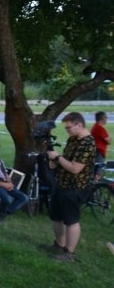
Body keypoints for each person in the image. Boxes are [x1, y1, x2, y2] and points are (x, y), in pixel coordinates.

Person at [45, 112, 96, 262]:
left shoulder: (88, 143)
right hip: (61, 183)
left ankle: (69, 253)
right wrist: (55, 162)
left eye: (69, 128)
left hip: (75, 187)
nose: (67, 131)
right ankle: (59, 246)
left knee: (71, 220)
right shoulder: (73, 139)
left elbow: (75, 168)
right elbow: (66, 160)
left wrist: (56, 157)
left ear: (79, 125)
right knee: (56, 217)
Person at [90, 111, 110, 178]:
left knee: (95, 169)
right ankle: (96, 186)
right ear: (102, 118)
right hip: (99, 151)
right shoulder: (100, 128)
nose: (107, 119)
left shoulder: (95, 126)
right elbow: (109, 141)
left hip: (96, 150)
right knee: (98, 170)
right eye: (106, 117)